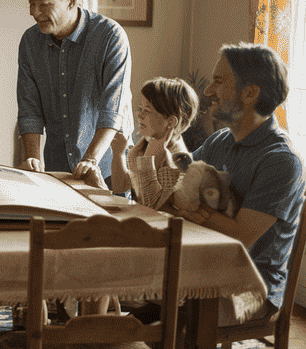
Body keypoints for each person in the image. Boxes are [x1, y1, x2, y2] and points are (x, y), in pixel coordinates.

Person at [169, 43, 305, 325]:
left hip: (252, 289)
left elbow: (240, 236)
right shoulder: (221, 140)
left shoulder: (282, 162)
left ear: (250, 93)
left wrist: (190, 209)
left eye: (219, 81)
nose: (208, 91)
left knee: (179, 314)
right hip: (206, 266)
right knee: (143, 295)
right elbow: (179, 187)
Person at [16, 0, 132, 187]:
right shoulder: (30, 42)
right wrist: (33, 158)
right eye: (31, 4)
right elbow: (29, 110)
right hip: (57, 172)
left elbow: (112, 110)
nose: (33, 12)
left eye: (43, 5)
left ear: (70, 1)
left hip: (108, 170)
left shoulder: (111, 37)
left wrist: (91, 161)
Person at [110, 77, 200, 209]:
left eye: (147, 110)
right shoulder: (144, 145)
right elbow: (122, 188)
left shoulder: (176, 161)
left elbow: (152, 207)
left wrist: (149, 159)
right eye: (141, 108)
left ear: (170, 122)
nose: (140, 115)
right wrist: (118, 154)